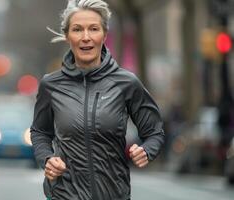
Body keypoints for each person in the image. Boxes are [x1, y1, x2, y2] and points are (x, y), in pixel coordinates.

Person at [30, 0, 165, 199]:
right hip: (63, 194)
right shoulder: (51, 85)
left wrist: (146, 151)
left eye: (93, 29)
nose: (86, 37)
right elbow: (40, 131)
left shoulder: (126, 83)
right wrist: (47, 159)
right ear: (67, 36)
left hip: (113, 194)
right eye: (77, 30)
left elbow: (154, 131)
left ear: (104, 34)